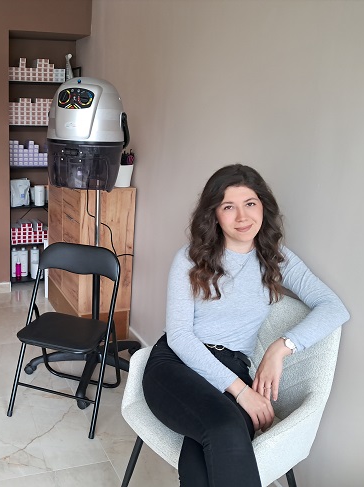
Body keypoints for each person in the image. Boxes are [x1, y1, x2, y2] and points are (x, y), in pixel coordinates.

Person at [142, 164, 350, 487]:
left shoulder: (275, 258)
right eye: (229, 207)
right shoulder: (190, 258)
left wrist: (281, 347)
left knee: (209, 449)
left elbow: (334, 308)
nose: (242, 217)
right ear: (214, 214)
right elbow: (180, 337)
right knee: (226, 428)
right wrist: (241, 392)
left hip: (234, 368)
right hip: (176, 365)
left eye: (250, 203)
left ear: (263, 206)